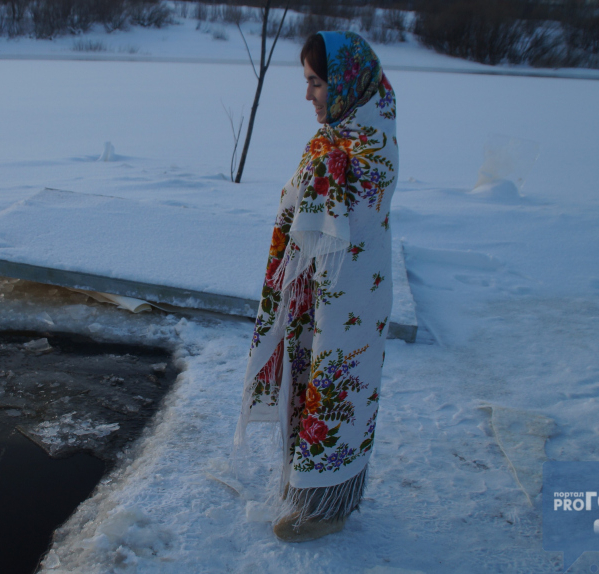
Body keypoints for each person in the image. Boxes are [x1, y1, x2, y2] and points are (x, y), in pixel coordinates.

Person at [234, 31, 398, 543]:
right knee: (308, 382)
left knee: (337, 394)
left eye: (317, 83)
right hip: (317, 292)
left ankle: (328, 506)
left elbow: (352, 217)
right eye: (307, 82)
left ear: (347, 82)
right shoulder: (336, 135)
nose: (309, 95)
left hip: (351, 299)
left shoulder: (372, 144)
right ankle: (306, 490)